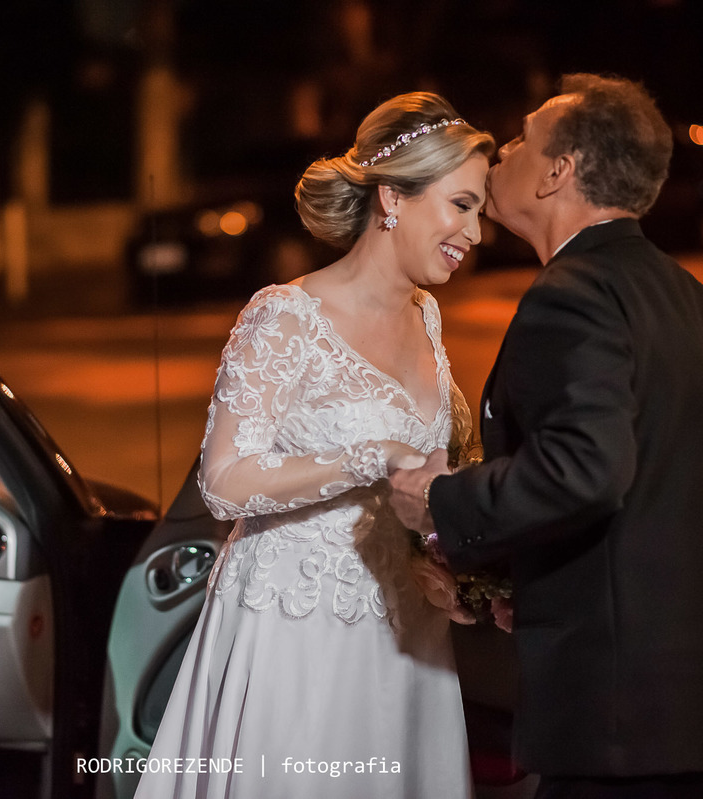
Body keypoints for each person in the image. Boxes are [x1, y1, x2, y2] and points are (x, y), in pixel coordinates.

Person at [388, 73, 703, 798]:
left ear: (558, 171)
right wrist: (528, 580)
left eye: (520, 139)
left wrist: (443, 499)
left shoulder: (573, 294)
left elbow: (586, 467)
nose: (501, 153)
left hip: (633, 731)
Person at [133, 92, 494, 799]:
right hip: (297, 632)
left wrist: (447, 564)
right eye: (461, 205)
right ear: (393, 198)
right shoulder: (284, 315)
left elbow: (425, 478)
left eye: (479, 210)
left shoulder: (428, 316)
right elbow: (224, 480)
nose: (476, 232)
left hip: (406, 638)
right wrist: (367, 457)